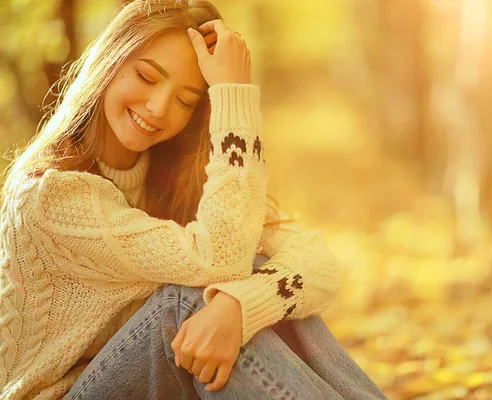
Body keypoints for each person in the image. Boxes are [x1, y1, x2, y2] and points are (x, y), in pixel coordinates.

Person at [0, 1, 388, 399]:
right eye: (147, 76)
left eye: (185, 100)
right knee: (190, 300)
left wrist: (242, 306)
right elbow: (220, 259)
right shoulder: (51, 196)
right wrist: (234, 95)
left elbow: (315, 258)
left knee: (251, 285)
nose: (157, 108)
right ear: (110, 61)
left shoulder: (174, 179)